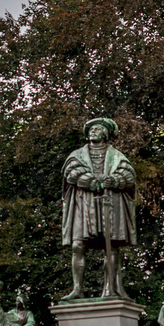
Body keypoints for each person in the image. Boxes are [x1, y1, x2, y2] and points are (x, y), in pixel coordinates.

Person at [61, 117, 137, 300]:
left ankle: (110, 288)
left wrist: (114, 180)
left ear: (106, 134)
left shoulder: (118, 156)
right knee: (78, 245)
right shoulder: (76, 155)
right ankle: (77, 288)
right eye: (91, 129)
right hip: (84, 203)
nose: (93, 131)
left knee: (111, 248)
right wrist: (89, 181)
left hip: (110, 203)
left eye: (97, 129)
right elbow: (71, 173)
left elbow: (128, 174)